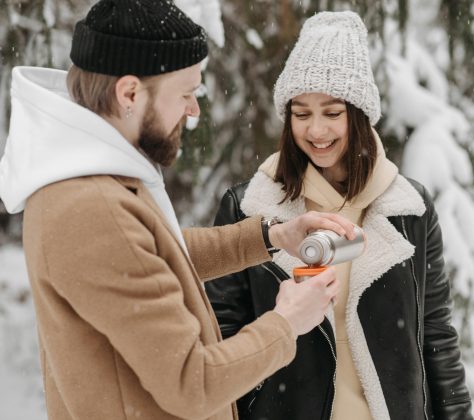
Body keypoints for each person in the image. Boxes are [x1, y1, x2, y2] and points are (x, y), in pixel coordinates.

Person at [0, 1, 358, 419]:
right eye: (186, 93)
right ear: (129, 93)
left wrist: (272, 237)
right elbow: (194, 383)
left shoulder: (87, 178)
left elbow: (149, 257)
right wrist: (288, 320)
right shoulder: (92, 206)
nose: (194, 111)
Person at [205, 10, 474, 420]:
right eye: (301, 114)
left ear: (359, 115)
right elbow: (221, 335)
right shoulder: (249, 208)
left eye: (332, 113)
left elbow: (435, 334)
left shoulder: (409, 208)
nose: (316, 131)